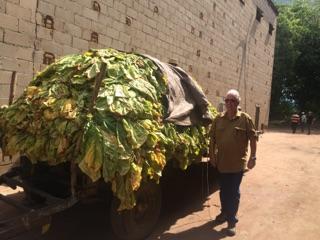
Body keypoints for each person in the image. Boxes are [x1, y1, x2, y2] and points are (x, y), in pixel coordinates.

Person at [209, 89, 257, 236]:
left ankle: (231, 221)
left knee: (233, 193)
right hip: (222, 163)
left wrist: (253, 157)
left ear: (238, 103)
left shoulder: (245, 119)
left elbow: (253, 138)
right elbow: (212, 139)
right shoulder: (218, 119)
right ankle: (224, 213)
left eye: (233, 101)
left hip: (237, 164)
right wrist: (212, 156)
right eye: (227, 100)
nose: (229, 103)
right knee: (223, 191)